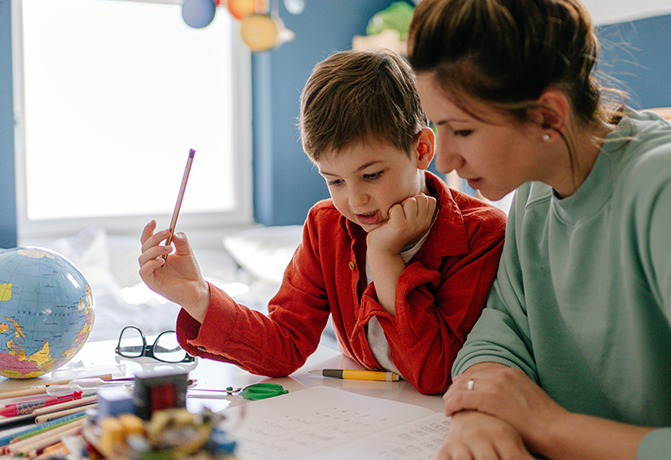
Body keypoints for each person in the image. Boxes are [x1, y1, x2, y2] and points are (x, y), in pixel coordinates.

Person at [406, 0, 671, 460]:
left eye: (463, 130)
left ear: (548, 116)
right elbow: (500, 330)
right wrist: (478, 413)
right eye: (436, 127)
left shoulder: (660, 191)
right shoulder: (532, 195)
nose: (443, 158)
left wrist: (546, 425)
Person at [138, 50, 506, 395]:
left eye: (373, 175)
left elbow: (435, 374)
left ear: (422, 149)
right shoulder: (325, 225)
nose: (355, 200)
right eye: (335, 181)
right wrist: (198, 297)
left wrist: (384, 257)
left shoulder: (482, 233)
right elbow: (284, 345)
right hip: (361, 416)